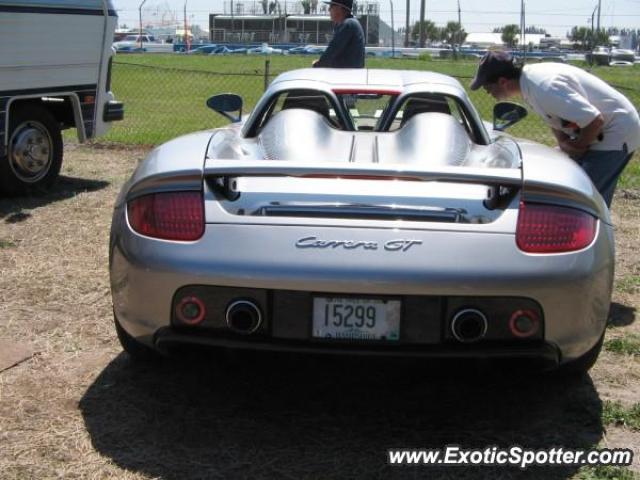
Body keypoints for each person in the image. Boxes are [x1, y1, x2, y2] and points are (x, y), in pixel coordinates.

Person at [470, 50, 640, 207]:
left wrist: (577, 147)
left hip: (616, 130)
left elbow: (595, 121)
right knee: (579, 192)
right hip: (600, 130)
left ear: (503, 81)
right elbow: (555, 118)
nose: (487, 92)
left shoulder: (544, 87)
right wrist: (563, 143)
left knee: (585, 199)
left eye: (488, 87)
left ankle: (592, 234)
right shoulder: (529, 84)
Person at [312, 0, 365, 68]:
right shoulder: (351, 23)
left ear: (339, 8)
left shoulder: (348, 24)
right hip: (350, 74)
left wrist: (318, 65)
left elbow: (332, 51)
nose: (329, 9)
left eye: (331, 6)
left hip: (347, 75)